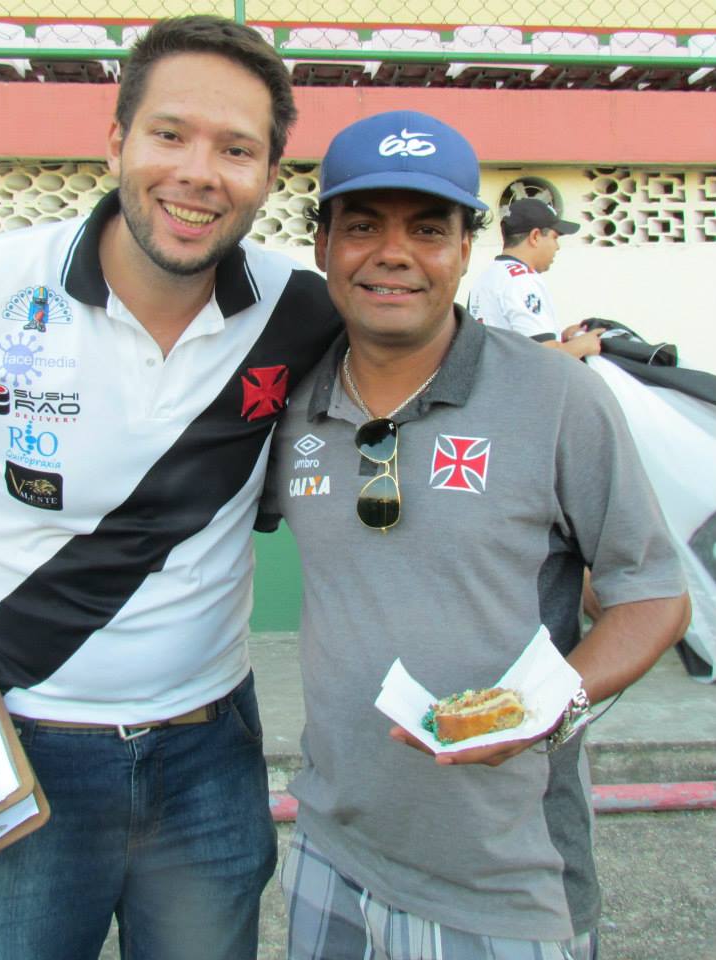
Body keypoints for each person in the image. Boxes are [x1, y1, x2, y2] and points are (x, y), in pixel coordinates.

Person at [0, 16, 341, 960]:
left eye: (235, 149)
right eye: (169, 134)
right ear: (115, 140)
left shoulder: (303, 311)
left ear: (268, 174)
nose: (198, 172)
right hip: (10, 744)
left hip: (207, 753)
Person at [258, 110, 690, 959]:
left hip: (506, 881)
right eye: (362, 227)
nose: (393, 254)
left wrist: (543, 709)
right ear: (322, 246)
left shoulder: (555, 397)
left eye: (427, 230)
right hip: (329, 849)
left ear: (464, 249)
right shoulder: (292, 402)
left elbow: (651, 594)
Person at [467, 197, 605, 359]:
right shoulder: (522, 280)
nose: (557, 247)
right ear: (535, 236)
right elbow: (544, 358)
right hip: (514, 375)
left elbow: (517, 346)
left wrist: (561, 337)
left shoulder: (489, 275)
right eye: (555, 237)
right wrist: (585, 344)